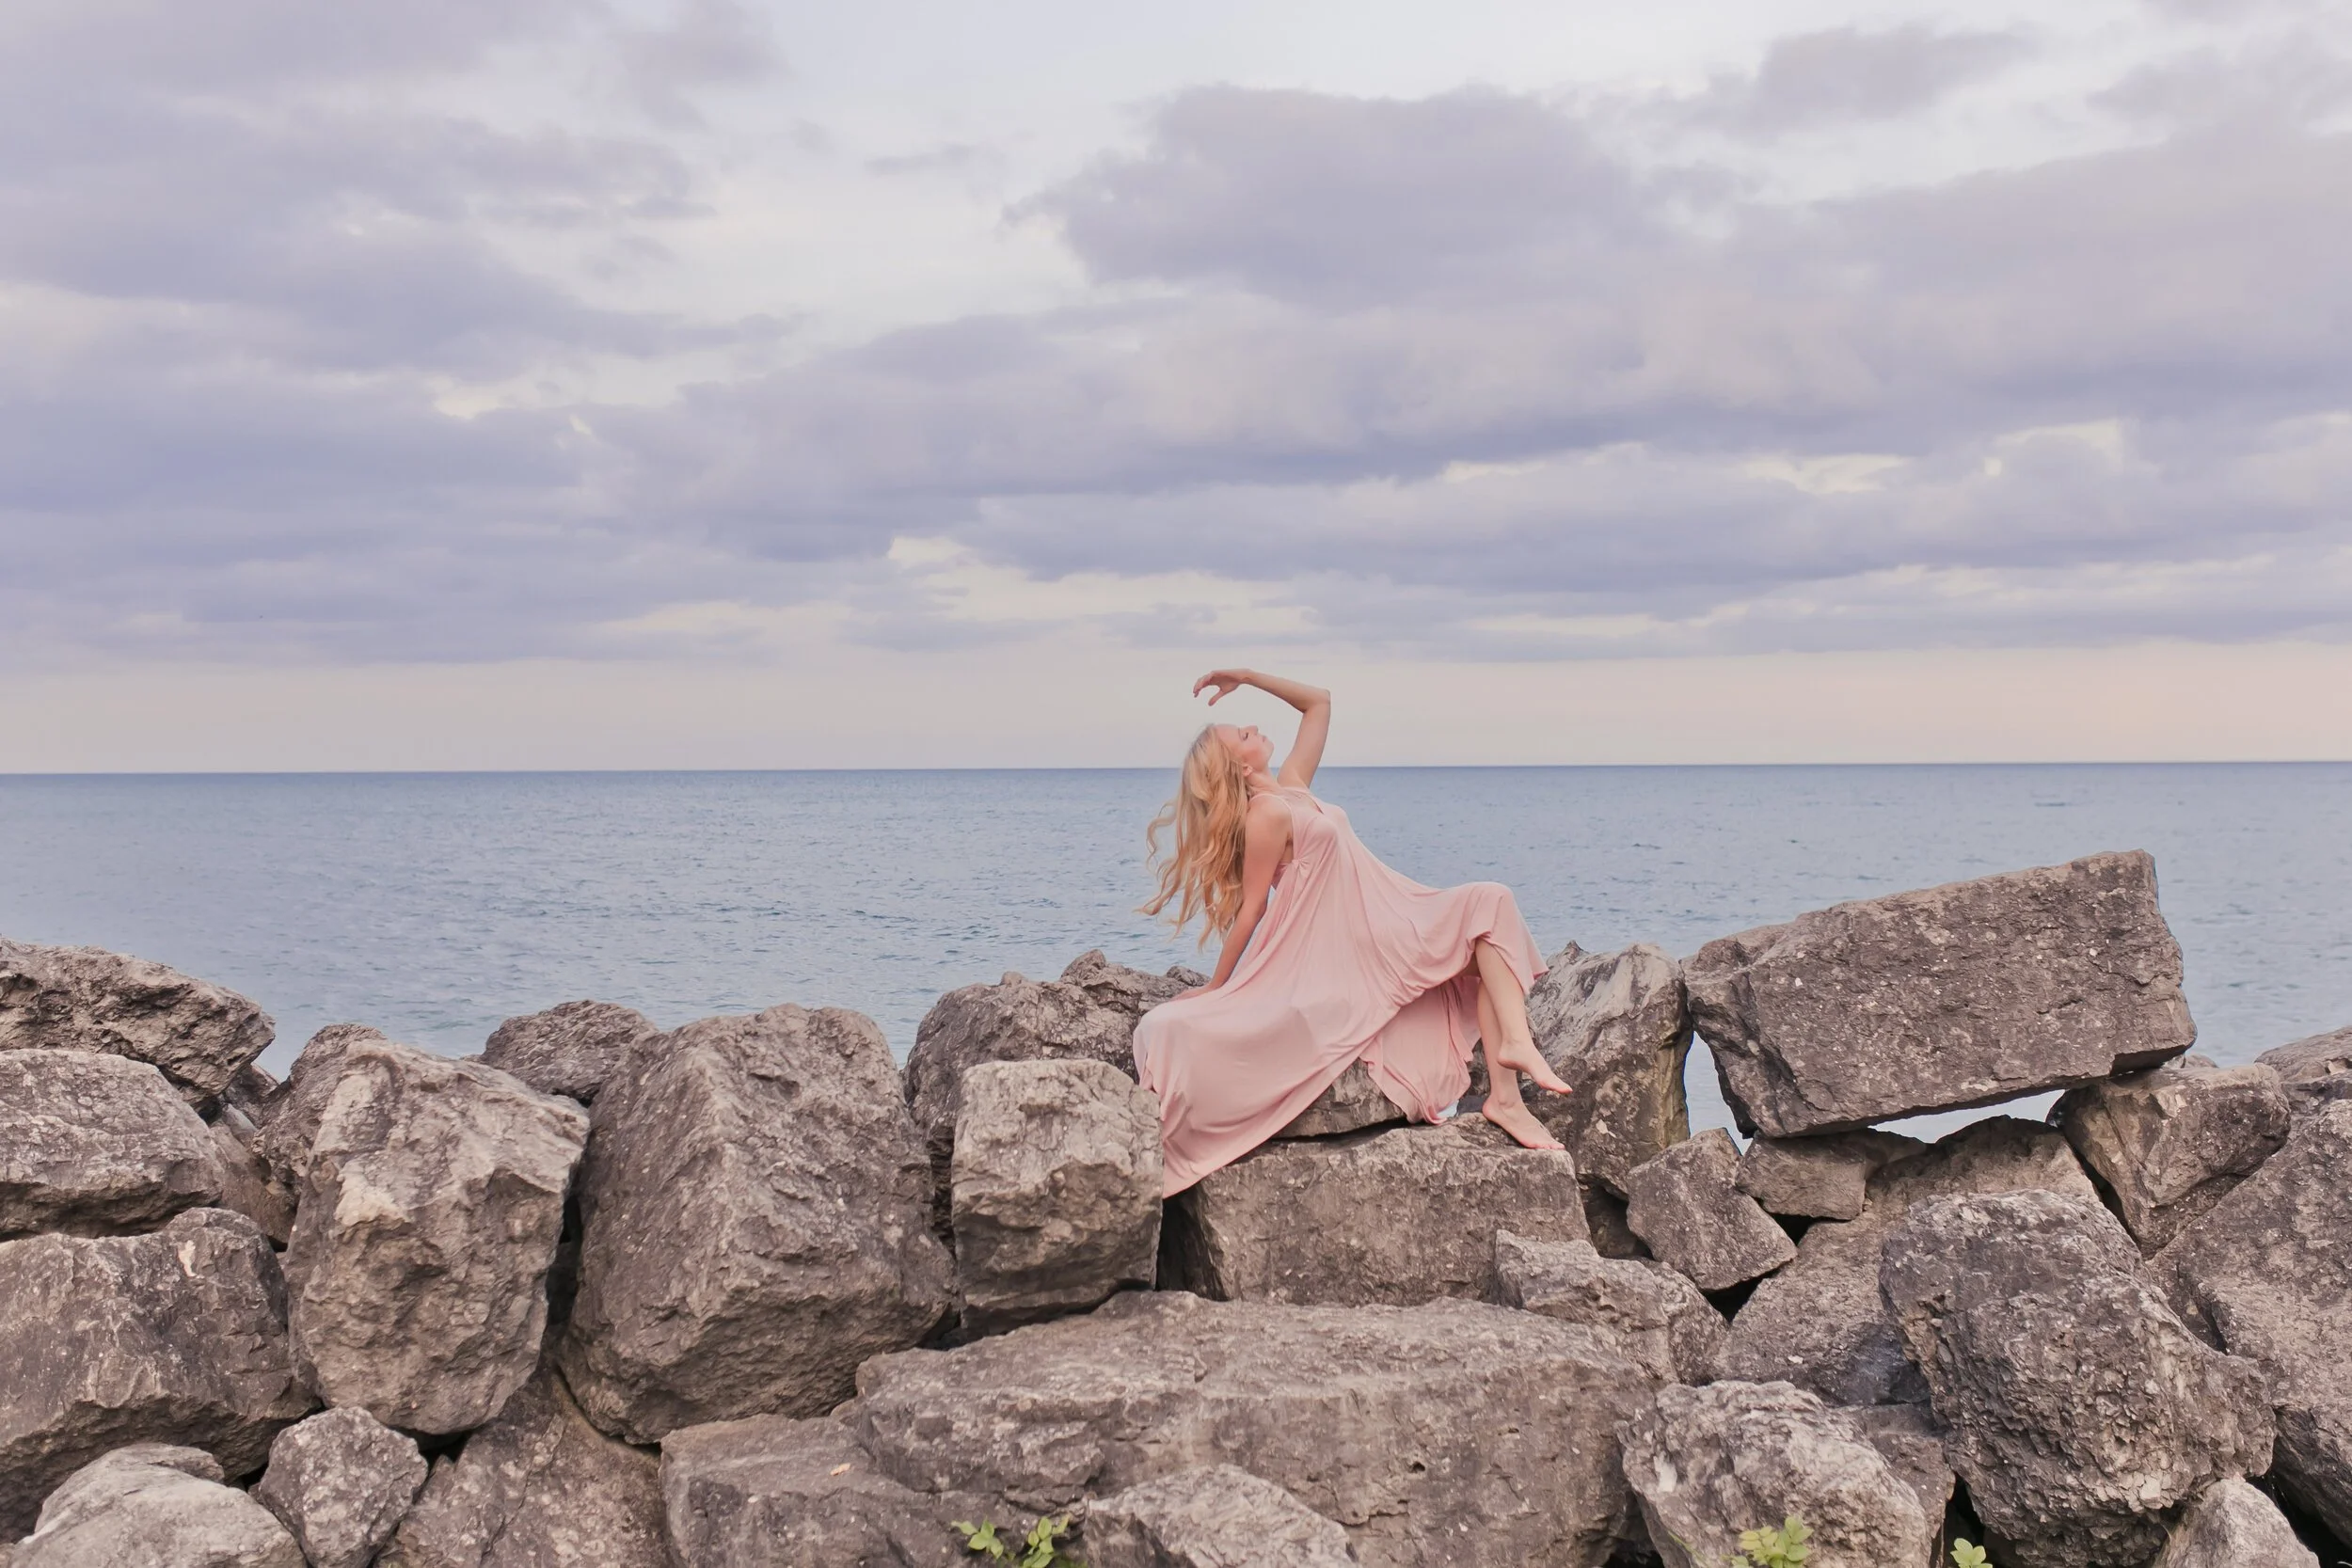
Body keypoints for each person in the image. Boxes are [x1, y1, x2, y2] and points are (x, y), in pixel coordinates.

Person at [1130, 667, 1573, 1196]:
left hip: (1389, 913)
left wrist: (1246, 676)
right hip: (1354, 944)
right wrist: (1218, 987)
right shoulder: (1264, 815)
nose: (1255, 727)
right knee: (1489, 912)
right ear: (1240, 767)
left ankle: (1507, 1093)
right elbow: (1252, 909)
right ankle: (1513, 1070)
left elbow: (1318, 702)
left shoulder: (1292, 786)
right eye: (1244, 734)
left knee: (1492, 913)